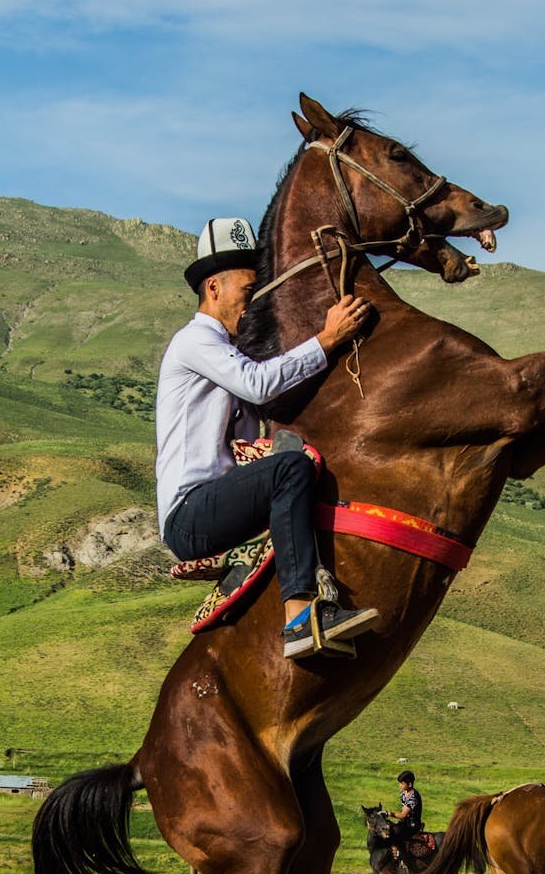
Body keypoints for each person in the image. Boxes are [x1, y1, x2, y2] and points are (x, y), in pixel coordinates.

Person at [156, 217, 379, 659]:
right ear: (213, 288)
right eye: (245, 291)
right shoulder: (195, 342)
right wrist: (328, 339)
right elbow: (259, 385)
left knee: (294, 461)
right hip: (190, 513)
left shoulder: (227, 352)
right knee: (289, 468)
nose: (251, 303)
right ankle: (299, 616)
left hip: (219, 499)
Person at [387, 769, 424, 862]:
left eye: (402, 783)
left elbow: (403, 815)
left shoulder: (413, 798)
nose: (400, 786)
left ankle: (403, 857)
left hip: (412, 825)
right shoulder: (403, 793)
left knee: (398, 833)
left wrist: (389, 814)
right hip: (405, 822)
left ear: (410, 784)